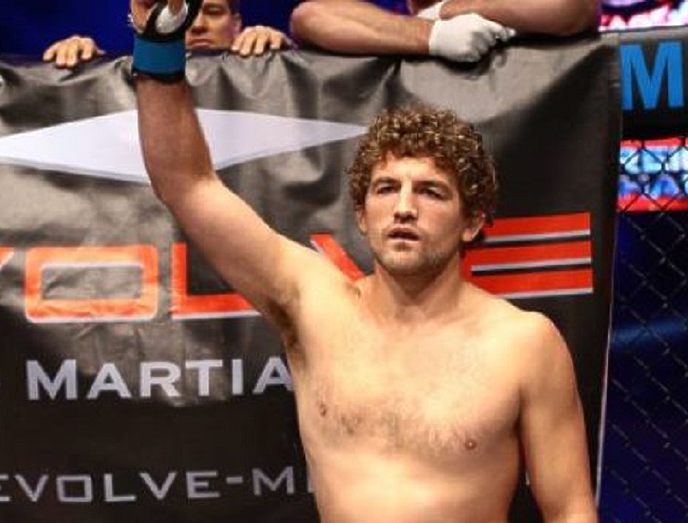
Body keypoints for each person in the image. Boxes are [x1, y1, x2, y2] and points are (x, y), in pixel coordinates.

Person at [132, 1, 599, 521]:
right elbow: (187, 184)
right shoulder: (313, 304)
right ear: (361, 213)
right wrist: (158, 44)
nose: (404, 208)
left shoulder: (524, 343)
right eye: (386, 189)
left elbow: (570, 511)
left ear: (471, 222)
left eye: (430, 192)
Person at [290, 0, 598, 62]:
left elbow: (573, 8)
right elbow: (309, 17)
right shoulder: (383, 29)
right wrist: (433, 35)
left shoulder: (497, 23)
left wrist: (447, 11)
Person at [43, 0, 290, 68]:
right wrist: (86, 68)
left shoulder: (271, 62)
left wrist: (284, 59)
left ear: (236, 24)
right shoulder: (123, 81)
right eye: (184, 15)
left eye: (213, 12)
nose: (198, 25)